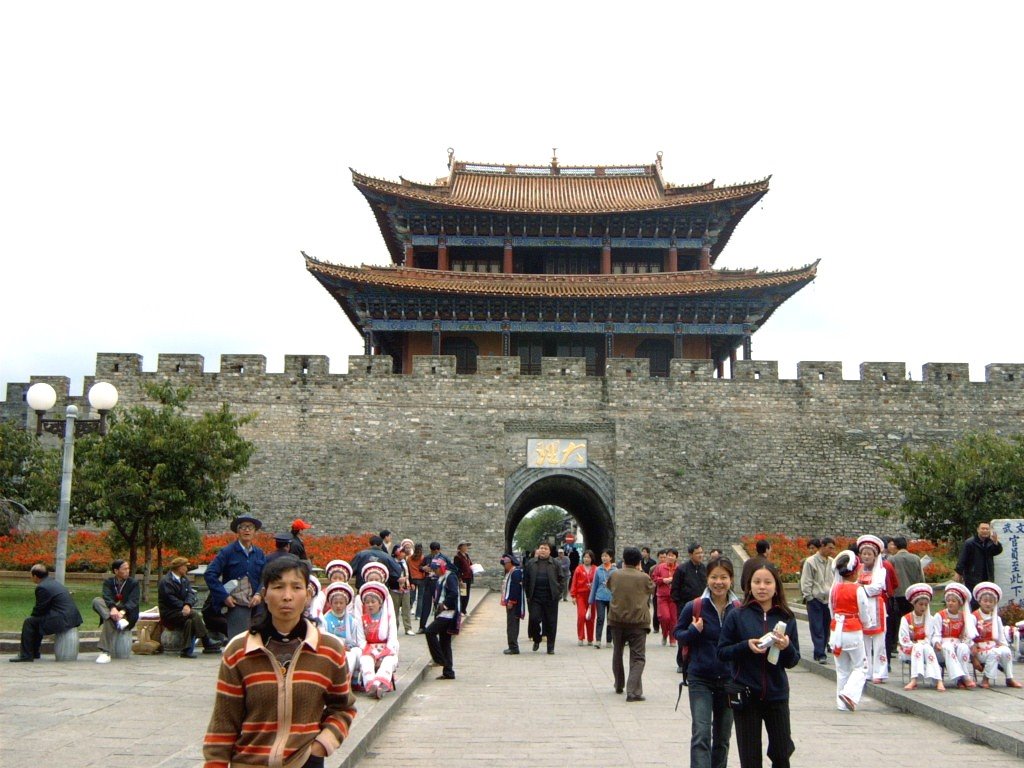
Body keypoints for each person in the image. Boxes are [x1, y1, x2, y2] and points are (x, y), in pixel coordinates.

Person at [203, 555, 357, 768]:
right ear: (265, 595)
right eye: (278, 587)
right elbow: (224, 721)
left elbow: (343, 707)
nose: (287, 596)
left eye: (296, 587)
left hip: (304, 762)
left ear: (308, 594)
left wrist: (323, 744)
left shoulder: (329, 650)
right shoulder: (240, 651)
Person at [718, 560, 799, 768]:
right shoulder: (737, 615)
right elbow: (722, 652)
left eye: (767, 582)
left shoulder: (786, 617)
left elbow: (792, 661)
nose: (762, 587)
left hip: (777, 694)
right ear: (749, 585)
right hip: (746, 695)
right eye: (757, 582)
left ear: (776, 586)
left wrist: (786, 647)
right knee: (750, 759)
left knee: (782, 753)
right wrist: (746, 646)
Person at [675, 556, 741, 768]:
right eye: (714, 577)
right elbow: (679, 634)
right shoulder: (694, 606)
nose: (718, 582)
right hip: (700, 679)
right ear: (707, 579)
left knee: (722, 738)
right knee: (701, 734)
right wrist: (694, 631)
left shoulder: (739, 609)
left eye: (724, 577)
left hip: (730, 680)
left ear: (731, 579)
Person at [204, 514, 267, 639]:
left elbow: (265, 576)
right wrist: (224, 596)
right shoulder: (227, 552)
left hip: (256, 605)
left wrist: (259, 594)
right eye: (243, 527)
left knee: (258, 642)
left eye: (250, 527)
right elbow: (210, 574)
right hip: (237, 605)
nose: (247, 530)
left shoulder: (259, 553)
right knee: (238, 642)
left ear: (255, 532)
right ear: (237, 531)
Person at [10, 563, 84, 663]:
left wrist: (33, 615)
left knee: (29, 622)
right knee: (36, 621)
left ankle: (26, 655)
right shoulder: (53, 582)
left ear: (35, 576)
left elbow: (40, 609)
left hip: (62, 619)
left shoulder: (42, 587)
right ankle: (34, 653)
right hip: (71, 617)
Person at [607, 546, 654, 702]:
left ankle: (619, 684)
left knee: (617, 653)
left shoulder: (615, 575)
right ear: (639, 561)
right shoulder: (644, 577)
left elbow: (609, 587)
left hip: (616, 620)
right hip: (638, 622)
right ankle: (633, 690)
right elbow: (651, 589)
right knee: (638, 657)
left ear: (624, 560)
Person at [158, 556, 223, 658]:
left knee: (190, 621)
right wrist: (184, 606)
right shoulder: (166, 581)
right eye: (185, 567)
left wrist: (187, 605)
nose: (187, 569)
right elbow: (170, 599)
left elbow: (191, 594)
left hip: (183, 611)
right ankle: (206, 641)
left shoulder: (184, 579)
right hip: (170, 613)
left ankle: (186, 651)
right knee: (193, 614)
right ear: (179, 568)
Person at [828, 550, 869, 711]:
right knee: (861, 667)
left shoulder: (834, 589)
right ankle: (849, 694)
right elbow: (864, 611)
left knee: (842, 669)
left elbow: (831, 609)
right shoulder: (858, 589)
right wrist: (866, 623)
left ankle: (841, 704)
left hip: (836, 630)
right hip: (852, 629)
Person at [855, 534, 893, 683]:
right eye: (864, 553)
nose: (866, 556)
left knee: (879, 641)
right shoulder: (858, 571)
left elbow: (877, 588)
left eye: (869, 554)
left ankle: (879, 672)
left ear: (875, 555)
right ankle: (867, 671)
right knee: (863, 641)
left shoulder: (881, 571)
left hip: (876, 606)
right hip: (861, 607)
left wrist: (860, 589)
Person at [972, 581, 1022, 688]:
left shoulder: (997, 618)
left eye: (991, 601)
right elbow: (969, 638)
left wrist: (1003, 645)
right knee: (994, 652)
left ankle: (1009, 678)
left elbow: (1001, 638)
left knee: (1006, 651)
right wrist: (973, 657)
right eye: (985, 601)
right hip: (980, 650)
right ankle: (986, 679)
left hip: (994, 647)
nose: (988, 604)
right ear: (980, 601)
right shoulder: (974, 617)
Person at [92, 559, 140, 664]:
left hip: (127, 613)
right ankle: (118, 620)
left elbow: (133, 601)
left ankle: (105, 652)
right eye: (124, 569)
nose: (127, 571)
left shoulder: (133, 583)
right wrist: (113, 608)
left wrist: (122, 612)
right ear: (116, 571)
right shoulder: (108, 582)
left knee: (109, 620)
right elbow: (107, 596)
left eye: (128, 568)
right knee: (96, 601)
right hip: (112, 611)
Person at [930, 581, 977, 689]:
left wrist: (971, 644)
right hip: (943, 647)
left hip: (957, 644)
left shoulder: (964, 617)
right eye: (948, 600)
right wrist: (936, 642)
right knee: (947, 647)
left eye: (953, 601)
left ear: (960, 603)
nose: (950, 603)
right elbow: (936, 634)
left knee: (964, 647)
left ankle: (960, 680)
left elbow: (966, 636)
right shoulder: (940, 615)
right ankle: (964, 677)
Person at [356, 581, 399, 699]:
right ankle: (371, 685)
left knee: (388, 661)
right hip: (368, 649)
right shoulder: (362, 619)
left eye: (373, 602)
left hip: (386, 649)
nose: (370, 605)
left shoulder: (388, 618)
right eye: (367, 602)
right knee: (365, 661)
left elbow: (392, 638)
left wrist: (383, 653)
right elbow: (361, 640)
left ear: (380, 603)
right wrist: (373, 653)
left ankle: (376, 685)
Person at [898, 582, 944, 691]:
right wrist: (917, 644)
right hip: (909, 648)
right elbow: (904, 639)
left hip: (926, 647)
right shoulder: (906, 619)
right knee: (919, 647)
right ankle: (914, 679)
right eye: (920, 604)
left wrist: (926, 643)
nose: (923, 607)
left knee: (927, 648)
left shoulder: (930, 619)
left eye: (925, 604)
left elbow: (932, 637)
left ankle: (938, 680)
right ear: (914, 604)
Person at [422, 556, 460, 680]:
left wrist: (445, 604)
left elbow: (454, 593)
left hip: (448, 613)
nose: (435, 572)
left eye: (436, 569)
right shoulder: (441, 578)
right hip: (442, 612)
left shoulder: (450, 577)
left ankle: (439, 659)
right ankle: (448, 672)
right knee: (445, 641)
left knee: (430, 631)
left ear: (442, 567)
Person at [524, 542, 565, 654]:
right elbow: (526, 580)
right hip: (535, 597)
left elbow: (561, 578)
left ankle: (550, 646)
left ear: (549, 551)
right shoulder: (531, 563)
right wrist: (528, 594)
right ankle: (537, 638)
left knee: (551, 622)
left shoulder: (555, 563)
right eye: (541, 548)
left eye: (545, 548)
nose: (543, 550)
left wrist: (558, 592)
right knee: (534, 619)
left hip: (551, 597)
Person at [887, 536, 925, 657]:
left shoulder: (892, 560)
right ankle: (913, 640)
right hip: (913, 595)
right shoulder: (916, 559)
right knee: (912, 620)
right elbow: (921, 577)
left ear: (896, 546)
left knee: (897, 620)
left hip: (898, 594)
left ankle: (896, 645)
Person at [800, 536, 835, 664]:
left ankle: (823, 649)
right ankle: (819, 652)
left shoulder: (832, 562)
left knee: (826, 626)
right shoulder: (811, 562)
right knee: (817, 626)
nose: (831, 551)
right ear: (823, 546)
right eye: (830, 548)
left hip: (828, 600)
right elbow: (806, 580)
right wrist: (809, 596)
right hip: (815, 598)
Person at [956, 522, 1003, 610]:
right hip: (972, 576)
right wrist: (959, 572)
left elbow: (997, 551)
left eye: (987, 529)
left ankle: (985, 620)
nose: (985, 531)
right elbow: (962, 558)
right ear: (978, 530)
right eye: (982, 528)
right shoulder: (970, 542)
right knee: (974, 600)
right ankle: (974, 619)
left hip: (987, 576)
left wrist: (996, 542)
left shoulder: (990, 542)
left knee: (986, 598)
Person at [322, 581, 362, 676]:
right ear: (330, 603)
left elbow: (355, 640)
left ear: (346, 604)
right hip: (332, 648)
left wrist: (349, 647)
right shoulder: (325, 619)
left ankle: (353, 679)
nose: (338, 606)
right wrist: (339, 646)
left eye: (341, 603)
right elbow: (324, 639)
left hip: (348, 648)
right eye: (336, 603)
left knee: (356, 653)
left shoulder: (352, 621)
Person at [588, 548, 617, 649]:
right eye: (602, 556)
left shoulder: (615, 571)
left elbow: (617, 585)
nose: (604, 558)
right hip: (600, 597)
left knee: (610, 619)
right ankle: (598, 640)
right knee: (600, 618)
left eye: (606, 556)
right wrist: (591, 600)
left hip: (611, 598)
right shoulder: (598, 570)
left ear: (611, 557)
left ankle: (609, 640)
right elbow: (595, 585)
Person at [651, 548, 679, 646]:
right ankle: (664, 634)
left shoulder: (679, 569)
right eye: (669, 555)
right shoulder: (660, 567)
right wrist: (663, 580)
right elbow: (654, 579)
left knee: (673, 619)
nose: (670, 557)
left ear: (676, 557)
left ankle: (673, 639)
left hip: (674, 597)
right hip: (662, 596)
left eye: (673, 556)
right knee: (665, 617)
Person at [570, 550, 597, 646]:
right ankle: (580, 637)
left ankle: (590, 638)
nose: (586, 559)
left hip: (592, 595)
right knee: (581, 616)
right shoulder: (579, 569)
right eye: (585, 557)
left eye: (588, 557)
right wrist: (573, 595)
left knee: (591, 617)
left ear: (591, 558)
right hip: (581, 595)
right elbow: (574, 582)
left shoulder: (595, 569)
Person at [499, 554, 525, 654]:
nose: (504, 566)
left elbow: (515, 588)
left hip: (514, 604)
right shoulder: (512, 572)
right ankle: (512, 645)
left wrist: (511, 601)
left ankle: (513, 646)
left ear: (510, 563)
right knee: (512, 624)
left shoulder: (515, 573)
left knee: (512, 625)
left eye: (505, 564)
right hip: (512, 603)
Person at [390, 544, 415, 636]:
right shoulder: (391, 562)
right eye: (402, 552)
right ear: (397, 553)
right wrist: (397, 580)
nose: (404, 554)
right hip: (395, 589)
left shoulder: (405, 562)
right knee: (394, 610)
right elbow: (389, 576)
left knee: (406, 609)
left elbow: (409, 573)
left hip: (406, 588)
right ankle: (394, 628)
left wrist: (412, 583)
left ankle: (408, 628)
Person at [453, 541, 474, 614]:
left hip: (468, 577)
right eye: (464, 546)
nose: (466, 548)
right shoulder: (457, 557)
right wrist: (459, 579)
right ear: (460, 547)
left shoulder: (467, 555)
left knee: (467, 594)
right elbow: (456, 569)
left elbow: (470, 564)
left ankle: (464, 610)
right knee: (463, 594)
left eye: (466, 546)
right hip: (463, 578)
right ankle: (461, 610)